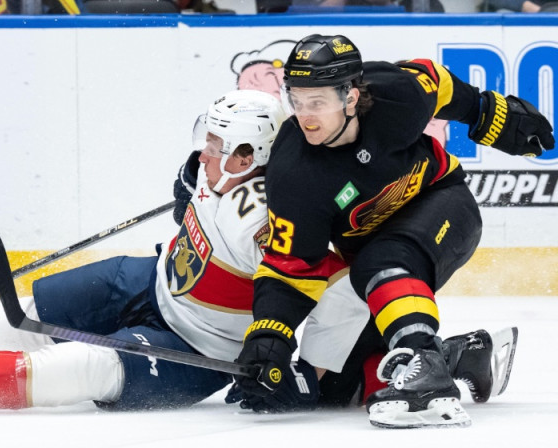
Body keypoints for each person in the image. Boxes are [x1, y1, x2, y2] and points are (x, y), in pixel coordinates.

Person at [0, 89, 290, 410]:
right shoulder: (214, 171)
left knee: (79, 368)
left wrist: (308, 371)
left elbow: (313, 285)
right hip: (149, 281)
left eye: (215, 145)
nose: (203, 153)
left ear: (248, 155)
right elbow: (200, 191)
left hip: (198, 346)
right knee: (23, 313)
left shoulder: (267, 222)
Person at [233, 33, 552, 428]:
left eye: (318, 102)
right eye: (296, 101)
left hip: (444, 204)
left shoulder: (395, 94)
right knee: (337, 386)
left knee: (381, 262)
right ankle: (462, 356)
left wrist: (487, 114)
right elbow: (290, 267)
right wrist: (271, 337)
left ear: (351, 97)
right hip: (374, 260)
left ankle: (428, 371)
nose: (305, 115)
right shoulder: (294, 171)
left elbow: (438, 81)